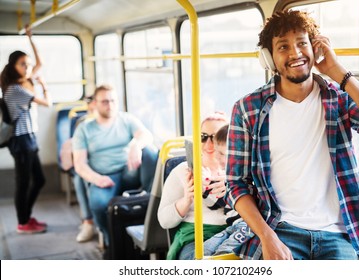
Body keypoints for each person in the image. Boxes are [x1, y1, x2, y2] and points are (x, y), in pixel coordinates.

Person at [225, 10, 359, 260]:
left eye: (302, 43)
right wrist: (267, 238)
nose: (295, 53)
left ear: (315, 48)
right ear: (269, 58)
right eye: (283, 46)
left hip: (338, 235)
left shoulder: (338, 99)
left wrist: (338, 73)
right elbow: (236, 185)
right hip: (280, 230)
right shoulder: (248, 109)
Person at [72, 84, 158, 248]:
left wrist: (135, 145)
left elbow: (146, 135)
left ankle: (149, 198)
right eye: (104, 101)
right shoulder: (84, 129)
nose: (110, 105)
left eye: (113, 100)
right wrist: (97, 179)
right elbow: (79, 164)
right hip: (104, 176)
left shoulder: (126, 119)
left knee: (149, 151)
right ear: (95, 104)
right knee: (97, 203)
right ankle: (110, 237)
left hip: (129, 171)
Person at [0, 26, 52, 234]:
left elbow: (40, 63)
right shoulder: (16, 88)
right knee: (24, 183)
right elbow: (47, 103)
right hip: (21, 141)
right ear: (14, 67)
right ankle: (23, 222)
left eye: (28, 64)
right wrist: (45, 86)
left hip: (28, 139)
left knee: (38, 179)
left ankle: (26, 217)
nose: (28, 68)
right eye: (23, 64)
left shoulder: (23, 81)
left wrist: (31, 39)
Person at [158, 112, 228, 260]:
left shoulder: (239, 171)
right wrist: (187, 199)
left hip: (233, 232)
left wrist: (234, 188)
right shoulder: (182, 171)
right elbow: (164, 220)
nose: (209, 144)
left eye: (215, 137)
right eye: (203, 137)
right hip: (196, 236)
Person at [203, 124, 253, 257]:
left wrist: (230, 183)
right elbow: (214, 205)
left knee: (224, 252)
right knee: (204, 250)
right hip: (231, 226)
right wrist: (204, 189)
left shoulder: (247, 177)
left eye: (221, 153)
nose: (216, 157)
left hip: (247, 224)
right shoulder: (222, 177)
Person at [60, 95, 97, 242]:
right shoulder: (82, 122)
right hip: (86, 159)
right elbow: (78, 145)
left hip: (105, 160)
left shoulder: (115, 120)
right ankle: (87, 221)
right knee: (79, 178)